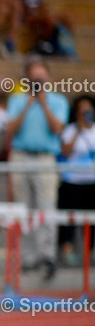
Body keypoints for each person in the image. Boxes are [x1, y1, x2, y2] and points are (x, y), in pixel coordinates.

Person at [5, 58, 69, 280]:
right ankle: (28, 256)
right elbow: (11, 129)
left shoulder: (58, 101)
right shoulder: (17, 100)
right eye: (34, 80)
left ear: (48, 79)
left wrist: (43, 104)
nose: (37, 83)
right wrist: (28, 104)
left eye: (41, 79)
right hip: (21, 156)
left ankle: (47, 256)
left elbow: (57, 129)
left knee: (46, 207)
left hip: (45, 158)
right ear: (27, 80)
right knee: (23, 209)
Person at [57, 96, 95, 266]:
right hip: (72, 181)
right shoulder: (70, 130)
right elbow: (64, 152)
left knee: (91, 219)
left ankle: (91, 251)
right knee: (69, 218)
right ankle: (67, 248)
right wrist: (79, 131)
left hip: (91, 181)